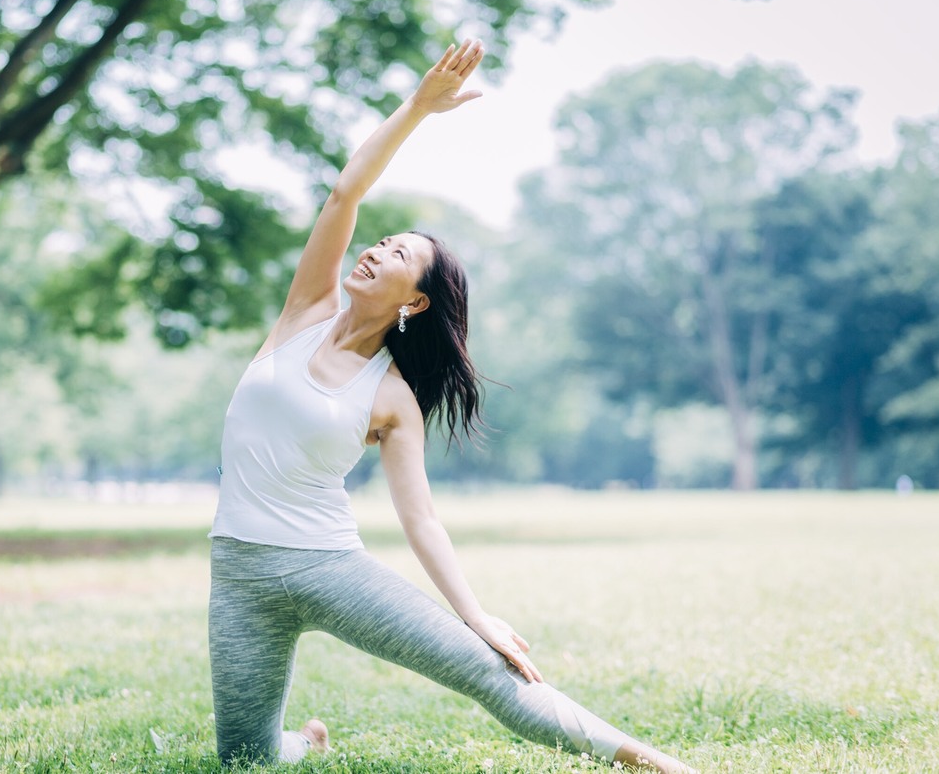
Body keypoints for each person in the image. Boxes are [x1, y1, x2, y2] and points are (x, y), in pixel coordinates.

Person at [207, 39, 694, 773]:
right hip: (237, 572)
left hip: (329, 567)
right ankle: (303, 743)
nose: (373, 252)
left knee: (492, 677)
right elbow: (346, 193)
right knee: (242, 760)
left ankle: (657, 762)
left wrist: (475, 613)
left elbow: (420, 516)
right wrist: (418, 109)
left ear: (415, 300)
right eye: (379, 243)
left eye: (396, 255)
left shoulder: (392, 395)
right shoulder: (304, 311)